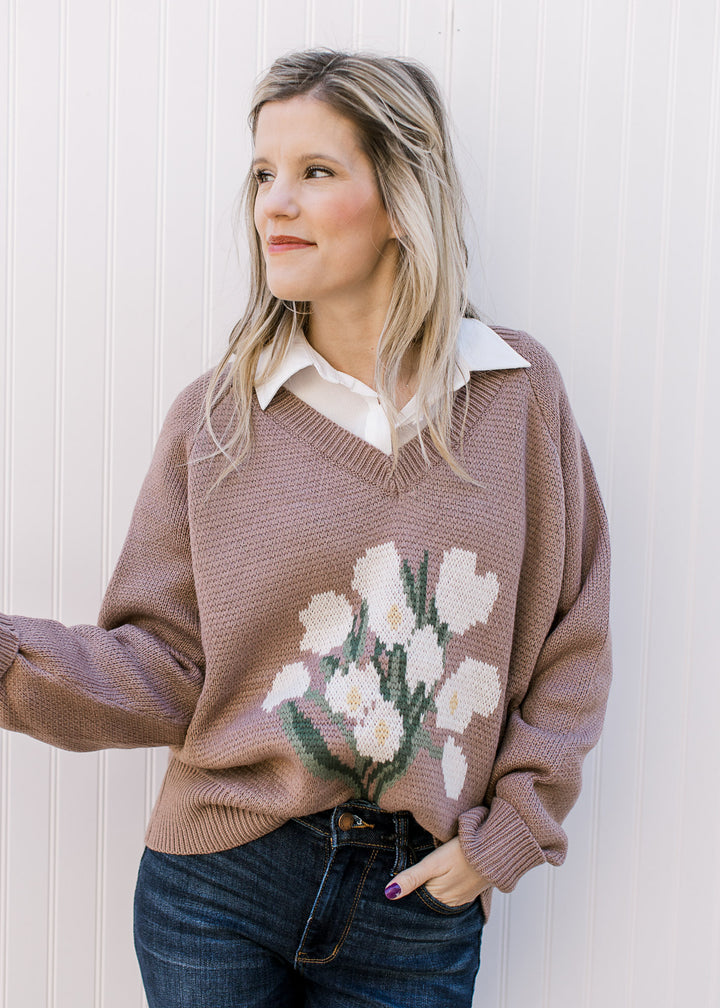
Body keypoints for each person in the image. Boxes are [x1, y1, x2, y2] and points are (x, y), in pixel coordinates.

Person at [0, 48, 611, 1008]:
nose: (272, 206)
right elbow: (165, 666)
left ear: (403, 198)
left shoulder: (516, 395)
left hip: (418, 907)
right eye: (262, 174)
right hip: (219, 886)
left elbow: (574, 639)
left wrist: (508, 838)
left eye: (314, 172)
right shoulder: (218, 420)